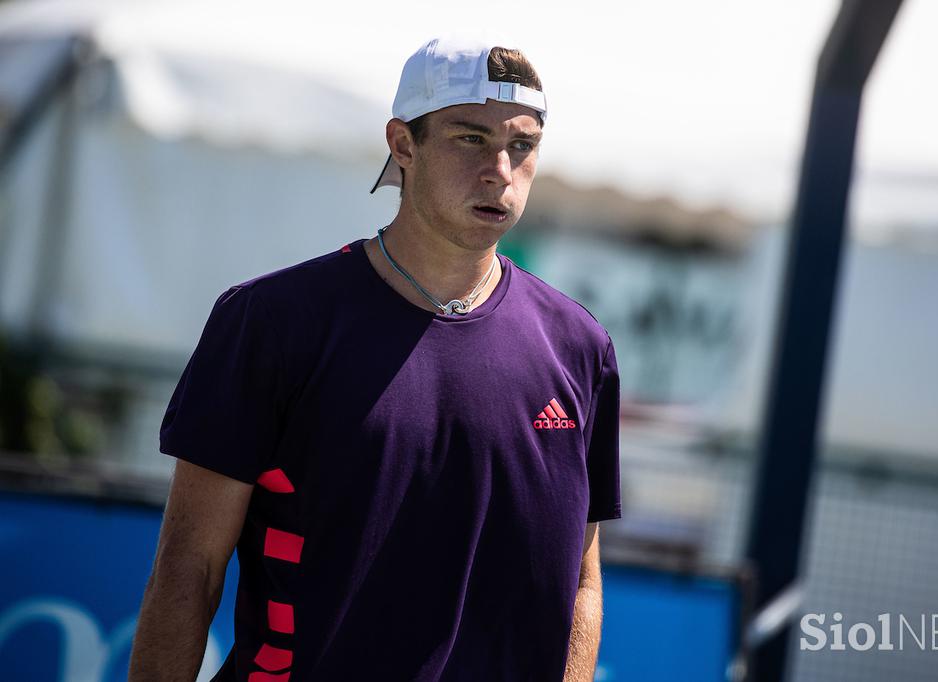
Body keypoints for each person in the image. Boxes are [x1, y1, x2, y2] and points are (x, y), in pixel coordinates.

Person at [129, 35, 622, 682]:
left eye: (521, 146)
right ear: (402, 145)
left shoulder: (579, 347)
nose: (500, 170)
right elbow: (188, 569)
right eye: (471, 138)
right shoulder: (271, 322)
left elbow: (582, 584)